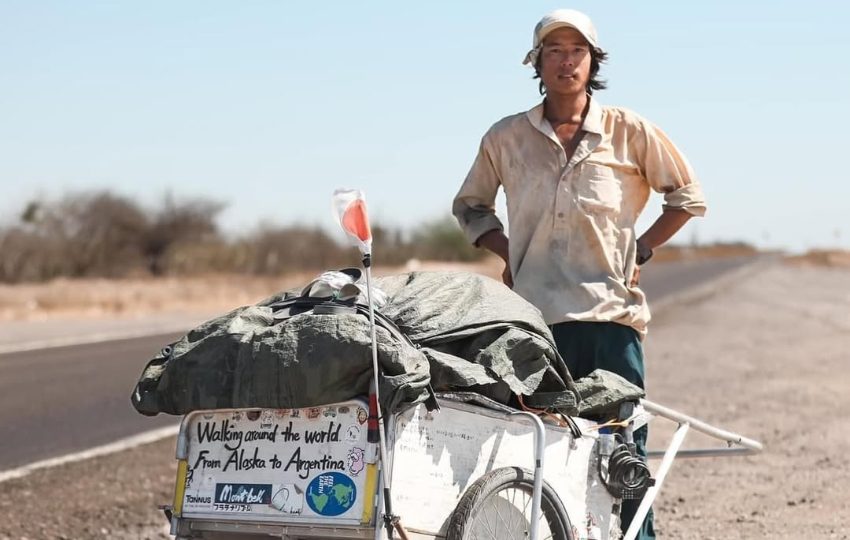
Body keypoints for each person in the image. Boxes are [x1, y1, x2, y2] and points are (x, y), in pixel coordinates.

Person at [452, 9, 706, 539]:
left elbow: (687, 197)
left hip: (609, 319)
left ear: (593, 63)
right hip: (532, 324)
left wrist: (642, 249)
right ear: (536, 64)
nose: (566, 62)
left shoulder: (628, 131)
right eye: (554, 52)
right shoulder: (506, 137)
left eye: (577, 52)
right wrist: (507, 254)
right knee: (536, 447)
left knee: (621, 453)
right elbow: (471, 205)